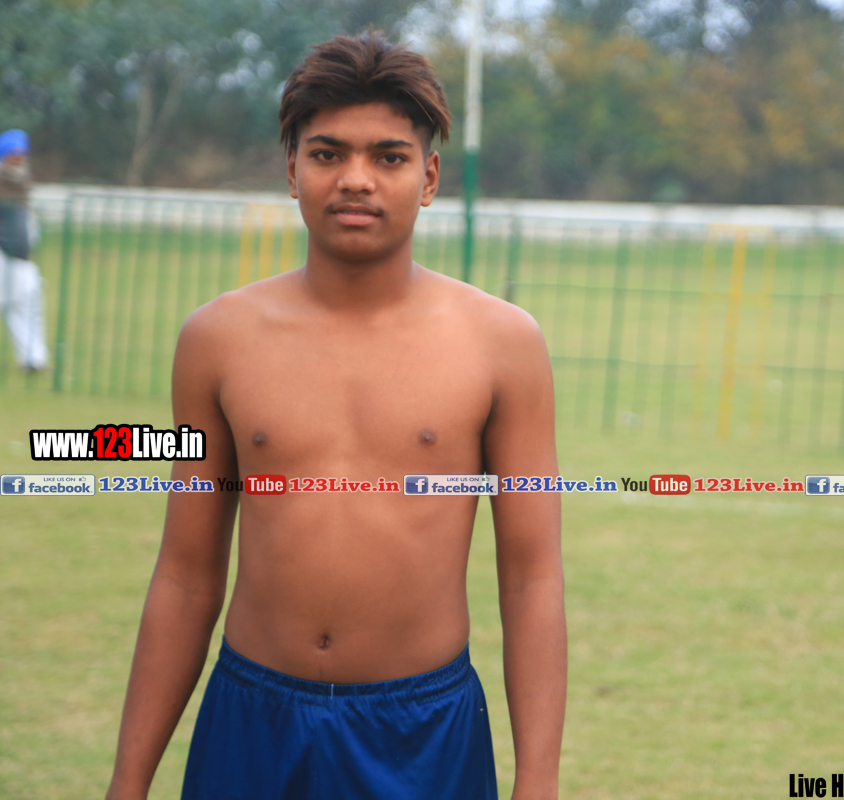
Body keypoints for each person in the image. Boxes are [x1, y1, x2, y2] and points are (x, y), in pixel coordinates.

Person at [106, 32, 566, 800]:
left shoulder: (502, 344)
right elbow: (185, 575)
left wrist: (539, 781)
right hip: (251, 720)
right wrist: (128, 783)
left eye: (388, 156)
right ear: (292, 170)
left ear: (428, 177)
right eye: (327, 154)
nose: (356, 179)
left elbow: (532, 577)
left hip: (423, 731)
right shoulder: (218, 339)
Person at [0, 128, 49, 372]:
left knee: (28, 303)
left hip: (21, 255)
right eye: (13, 155)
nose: (18, 159)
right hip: (3, 253)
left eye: (22, 155)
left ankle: (33, 359)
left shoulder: (22, 183)